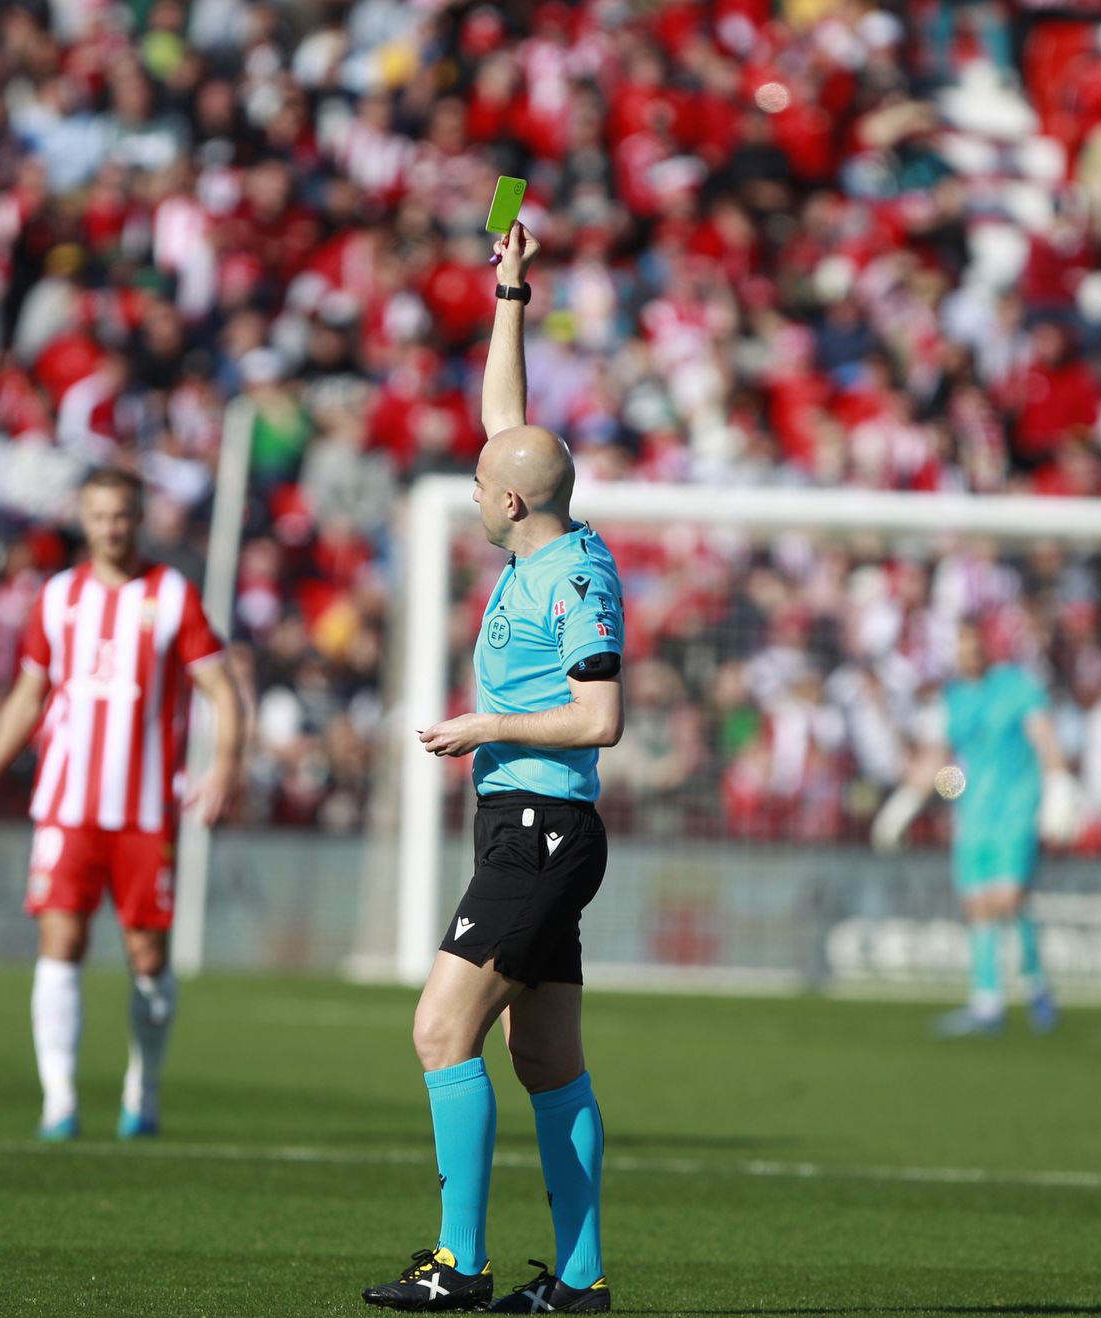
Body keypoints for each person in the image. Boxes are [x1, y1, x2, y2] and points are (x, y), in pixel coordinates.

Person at [362, 222, 623, 1314]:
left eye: (480, 482)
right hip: (527, 825)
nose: (472, 487)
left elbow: (601, 717)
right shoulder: (543, 537)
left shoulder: (571, 582)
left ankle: (458, 1264)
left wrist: (482, 728)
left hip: (540, 826)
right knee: (545, 1057)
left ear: (510, 503)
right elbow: (504, 422)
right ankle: (578, 1281)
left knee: (437, 1026)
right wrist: (509, 291)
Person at [0, 467, 244, 1139]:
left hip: (145, 810)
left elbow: (223, 691)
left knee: (147, 956)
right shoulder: (57, 598)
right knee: (61, 940)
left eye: (122, 515)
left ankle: (142, 1091)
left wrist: (225, 765)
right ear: (82, 520)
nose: (111, 527)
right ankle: (58, 1100)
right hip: (66, 805)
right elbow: (29, 695)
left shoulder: (172, 595)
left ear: (139, 519)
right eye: (99, 516)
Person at [871, 619, 1080, 1036]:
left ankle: (1034, 981)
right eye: (961, 648)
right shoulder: (951, 699)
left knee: (1006, 898)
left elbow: (1044, 737)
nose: (968, 655)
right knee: (978, 907)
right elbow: (946, 764)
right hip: (973, 813)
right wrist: (907, 803)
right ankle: (987, 1003)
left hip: (1017, 808)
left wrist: (1058, 786)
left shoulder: (1016, 685)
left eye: (974, 646)